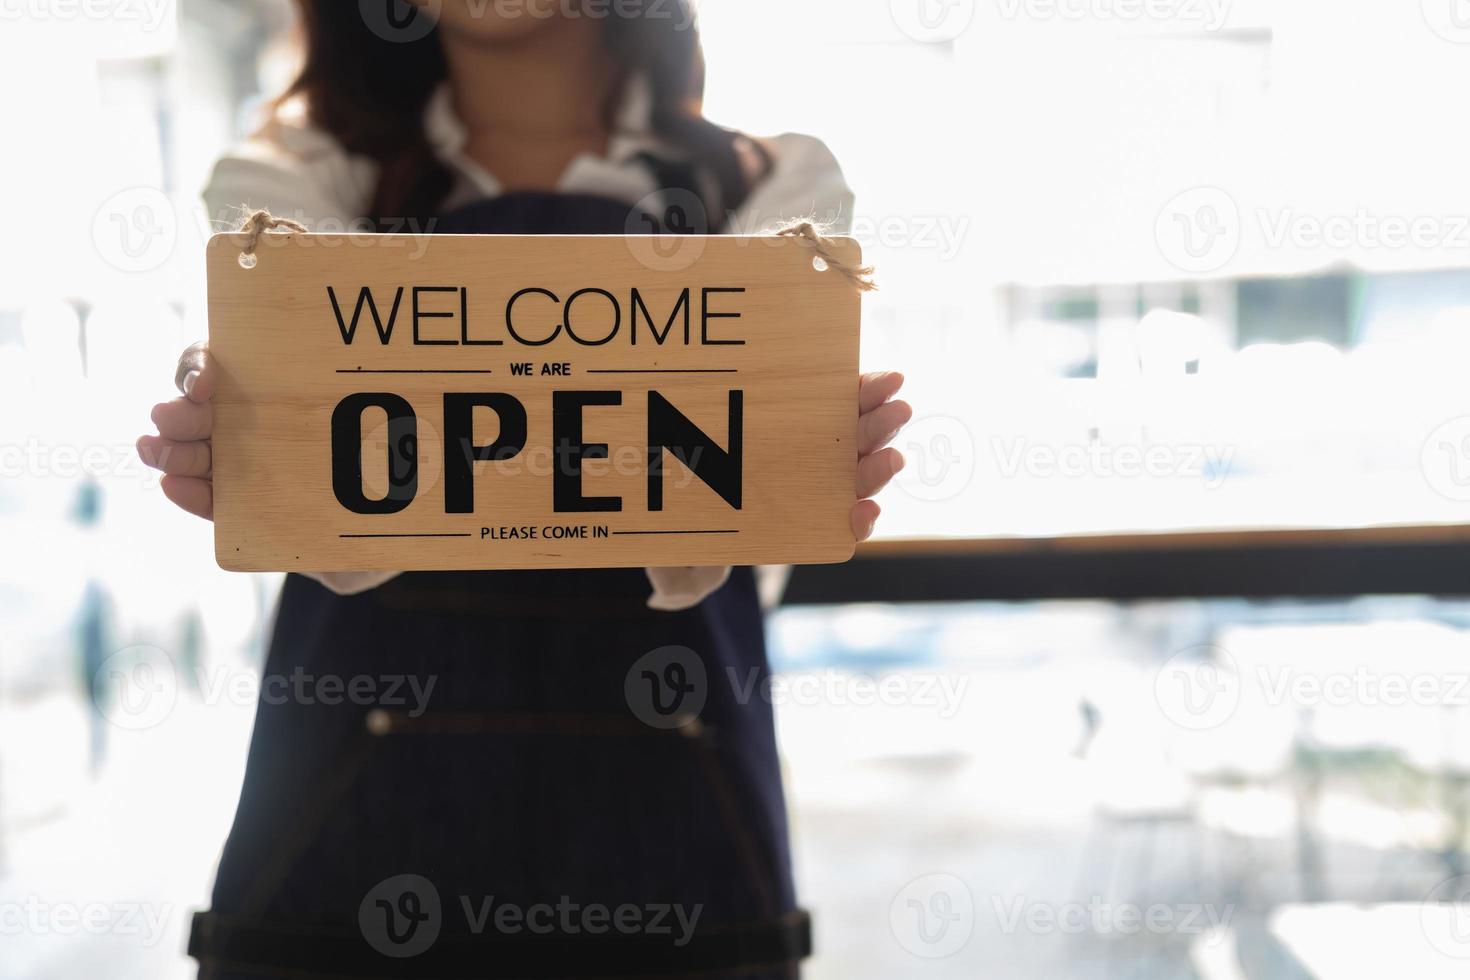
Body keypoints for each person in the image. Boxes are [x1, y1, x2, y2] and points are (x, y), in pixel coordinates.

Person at [136, 2, 911, 977]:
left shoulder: (777, 182)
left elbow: (735, 530)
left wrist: (793, 463)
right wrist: (256, 447)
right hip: (343, 845)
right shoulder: (281, 181)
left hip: (681, 846)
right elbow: (338, 528)